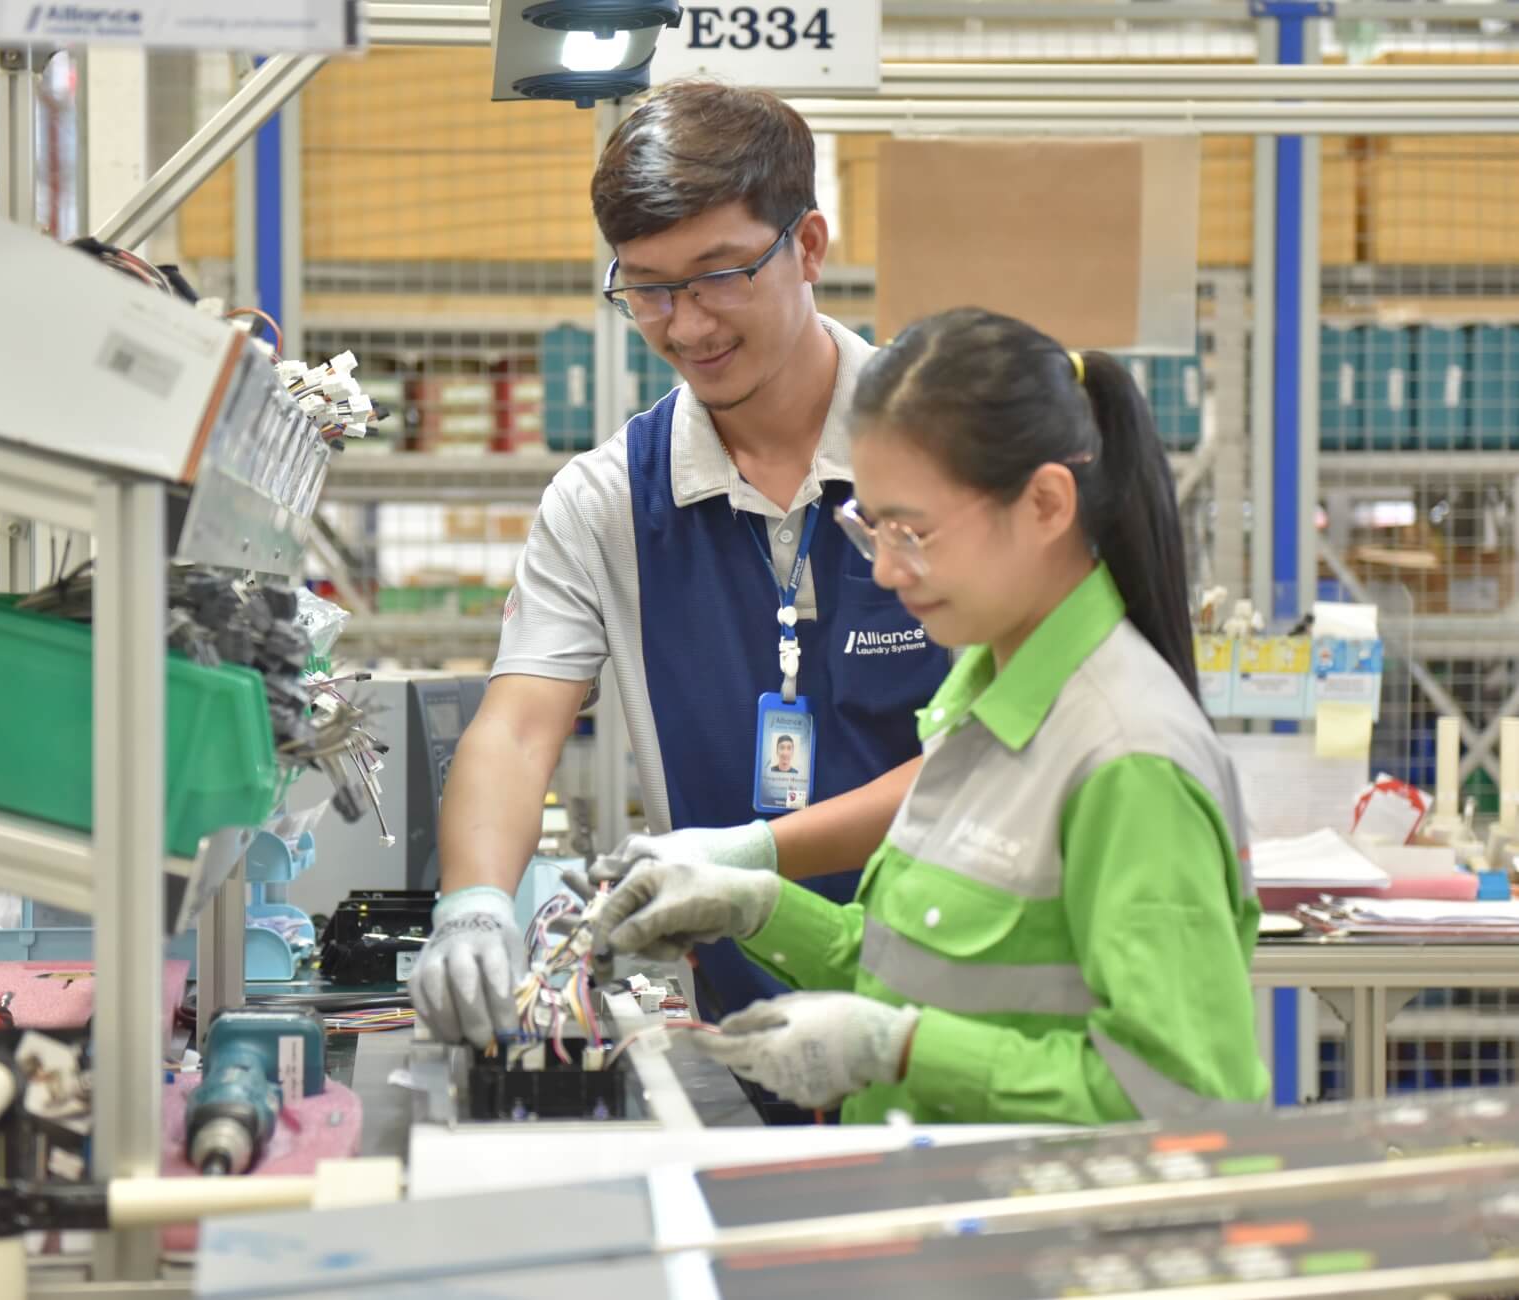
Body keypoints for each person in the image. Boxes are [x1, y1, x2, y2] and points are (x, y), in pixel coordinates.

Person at [577, 308, 1272, 1126]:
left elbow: (1185, 1102)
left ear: (1047, 504)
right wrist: (754, 905)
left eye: (914, 531)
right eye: (870, 526)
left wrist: (901, 1050)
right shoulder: (982, 696)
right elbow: (915, 967)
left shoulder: (1126, 761)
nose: (890, 568)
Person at [409, 81, 949, 1069]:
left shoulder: (949, 451)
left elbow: (999, 760)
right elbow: (518, 726)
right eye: (647, 287)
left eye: (718, 275)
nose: (686, 323)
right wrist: (473, 903)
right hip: (740, 1027)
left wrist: (746, 860)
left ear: (809, 247)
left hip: (967, 1006)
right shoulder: (604, 499)